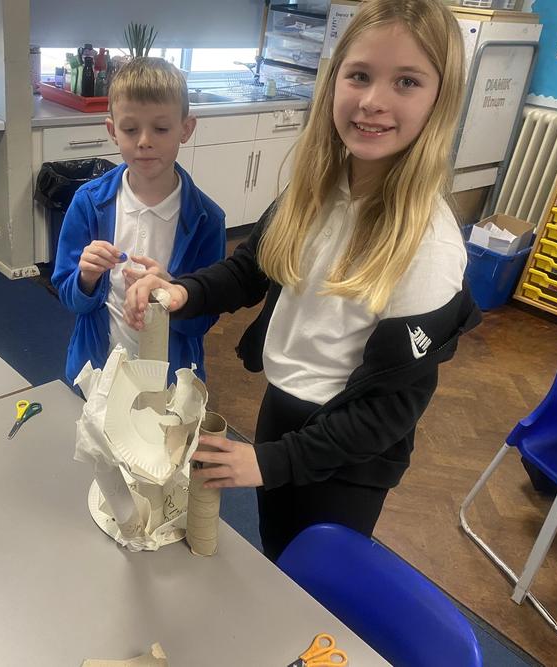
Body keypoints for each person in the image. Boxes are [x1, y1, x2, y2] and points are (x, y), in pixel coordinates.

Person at [125, 0, 482, 561]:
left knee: (313, 581)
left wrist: (273, 462)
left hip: (349, 457)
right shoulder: (316, 190)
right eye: (359, 75)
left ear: (441, 99)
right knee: (276, 554)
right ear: (333, 80)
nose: (373, 101)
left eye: (406, 82)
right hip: (283, 410)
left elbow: (389, 410)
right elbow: (251, 268)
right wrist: (183, 291)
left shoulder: (429, 245)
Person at [51, 57, 225, 388]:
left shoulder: (206, 221)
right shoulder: (89, 203)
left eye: (161, 129)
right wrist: (86, 278)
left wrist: (172, 292)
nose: (144, 141)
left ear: (185, 129)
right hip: (99, 374)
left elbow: (201, 321)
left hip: (169, 382)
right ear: (113, 131)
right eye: (131, 129)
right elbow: (70, 297)